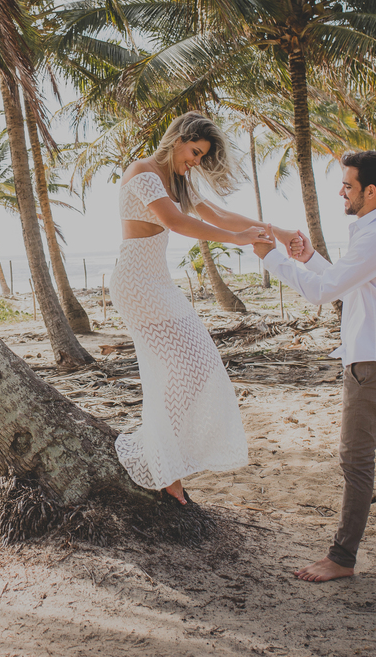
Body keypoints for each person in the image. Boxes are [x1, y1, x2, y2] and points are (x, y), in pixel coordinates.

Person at [253, 150, 376, 582]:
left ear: (370, 191)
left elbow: (322, 293)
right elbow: (346, 284)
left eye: (347, 185)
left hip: (373, 364)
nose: (341, 192)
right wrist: (308, 258)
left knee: (356, 461)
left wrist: (271, 258)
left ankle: (342, 558)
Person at [112, 111, 292, 505]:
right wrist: (239, 239)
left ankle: (165, 455)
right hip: (136, 283)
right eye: (195, 152)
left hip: (158, 283)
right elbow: (175, 221)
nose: (195, 161)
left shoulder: (178, 181)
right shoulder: (142, 172)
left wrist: (274, 231)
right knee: (181, 369)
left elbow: (218, 214)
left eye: (201, 156)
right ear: (178, 138)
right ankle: (165, 465)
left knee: (199, 366)